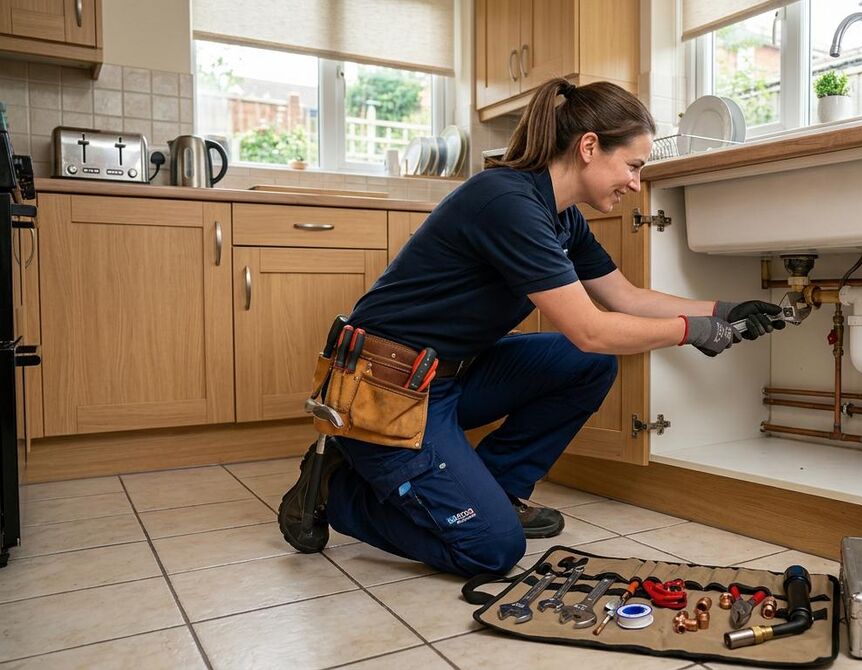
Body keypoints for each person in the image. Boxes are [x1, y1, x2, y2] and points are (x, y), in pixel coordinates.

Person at [278, 78, 786, 577]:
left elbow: (625, 296)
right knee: (493, 550)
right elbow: (591, 328)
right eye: (632, 166)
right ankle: (336, 489)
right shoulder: (506, 202)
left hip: (447, 379)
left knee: (585, 366)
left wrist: (723, 310)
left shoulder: (563, 218)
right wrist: (691, 331)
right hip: (383, 388)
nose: (635, 183)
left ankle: (496, 491)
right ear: (589, 147)